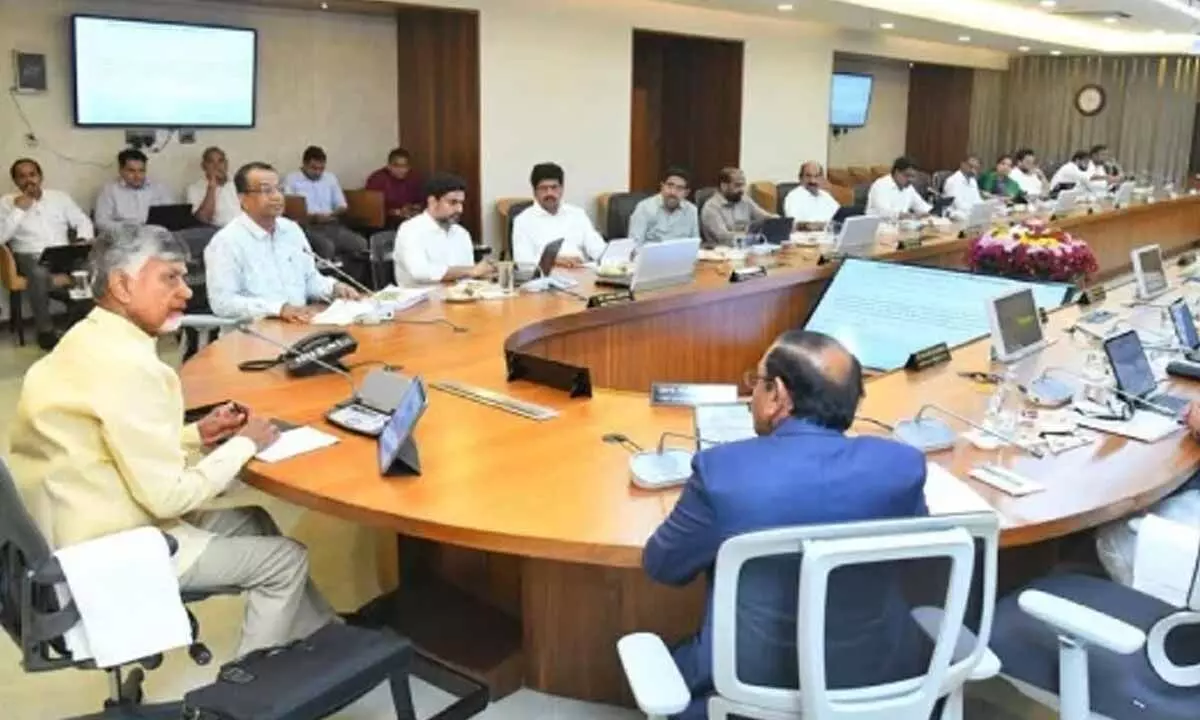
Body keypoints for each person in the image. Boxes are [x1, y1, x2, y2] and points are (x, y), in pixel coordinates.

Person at [7, 225, 336, 659]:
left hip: (69, 519)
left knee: (252, 520)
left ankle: (320, 641)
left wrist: (197, 435)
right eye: (169, 278)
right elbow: (168, 498)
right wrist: (245, 445)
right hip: (109, 546)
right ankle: (252, 686)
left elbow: (114, 442)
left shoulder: (86, 340)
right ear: (123, 286)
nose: (186, 292)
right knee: (285, 561)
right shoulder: (132, 367)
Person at [642, 330, 930, 719]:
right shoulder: (900, 467)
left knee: (673, 661)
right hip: (876, 685)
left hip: (745, 695)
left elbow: (663, 566)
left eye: (757, 382)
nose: (752, 395)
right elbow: (915, 559)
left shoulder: (723, 472)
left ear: (778, 395)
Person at [205, 161, 361, 322]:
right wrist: (278, 309)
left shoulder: (291, 230)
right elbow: (222, 303)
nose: (277, 196)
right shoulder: (226, 242)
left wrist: (334, 288)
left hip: (299, 324)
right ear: (243, 199)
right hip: (253, 330)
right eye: (267, 190)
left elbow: (309, 279)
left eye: (279, 189)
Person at [0, 158, 94, 350]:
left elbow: (82, 220)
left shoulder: (59, 197)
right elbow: (1, 236)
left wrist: (82, 239)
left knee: (88, 267)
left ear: (40, 177)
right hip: (29, 255)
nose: (29, 180)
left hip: (62, 252)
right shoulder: (6, 203)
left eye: (32, 175)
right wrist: (19, 210)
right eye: (22, 176)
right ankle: (46, 331)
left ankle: (81, 321)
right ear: (15, 181)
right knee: (38, 274)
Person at [393, 172, 492, 287]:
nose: (460, 209)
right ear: (432, 201)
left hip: (458, 296)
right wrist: (471, 271)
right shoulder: (410, 230)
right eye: (453, 202)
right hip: (420, 297)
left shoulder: (461, 233)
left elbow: (467, 273)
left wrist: (482, 273)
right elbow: (420, 272)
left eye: (461, 203)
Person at [512, 162, 606, 267]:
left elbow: (599, 251)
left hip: (581, 271)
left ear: (562, 189)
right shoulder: (523, 221)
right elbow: (522, 262)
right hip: (546, 274)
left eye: (554, 187)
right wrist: (553, 260)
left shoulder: (577, 214)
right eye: (543, 188)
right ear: (534, 191)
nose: (549, 193)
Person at [282, 146, 368, 259]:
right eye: (314, 168)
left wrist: (332, 214)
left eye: (321, 168)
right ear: (304, 164)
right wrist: (314, 218)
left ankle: (347, 270)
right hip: (307, 227)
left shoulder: (330, 178)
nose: (318, 172)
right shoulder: (292, 179)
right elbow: (292, 211)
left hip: (331, 224)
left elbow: (342, 205)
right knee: (327, 247)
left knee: (361, 244)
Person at [94, 148, 176, 235]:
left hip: (155, 236)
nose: (137, 176)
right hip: (124, 237)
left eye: (141, 171)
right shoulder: (109, 190)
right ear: (121, 170)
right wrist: (128, 228)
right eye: (131, 171)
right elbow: (101, 222)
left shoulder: (158, 189)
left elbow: (172, 216)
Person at [698, 167, 773, 247]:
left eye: (743, 185)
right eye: (737, 185)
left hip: (748, 246)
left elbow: (765, 217)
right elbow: (723, 237)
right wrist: (751, 237)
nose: (742, 189)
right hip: (723, 250)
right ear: (724, 186)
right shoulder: (711, 207)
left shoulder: (744, 199)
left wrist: (778, 220)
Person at [628, 167, 700, 244]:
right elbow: (634, 244)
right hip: (652, 251)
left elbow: (695, 243)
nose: (673, 192)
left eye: (679, 188)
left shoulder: (692, 210)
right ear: (662, 186)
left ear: (686, 193)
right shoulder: (644, 208)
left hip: (680, 252)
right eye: (669, 186)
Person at [365, 148, 424, 226]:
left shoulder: (414, 177)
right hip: (385, 222)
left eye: (405, 166)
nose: (402, 170)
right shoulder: (377, 179)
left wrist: (414, 207)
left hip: (410, 219)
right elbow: (371, 208)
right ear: (389, 166)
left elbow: (422, 200)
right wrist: (396, 212)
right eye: (397, 166)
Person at [187, 146, 241, 228]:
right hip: (218, 231)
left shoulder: (240, 182)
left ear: (226, 164)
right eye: (211, 162)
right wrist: (212, 187)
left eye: (220, 161)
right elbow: (203, 219)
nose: (217, 166)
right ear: (203, 166)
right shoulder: (194, 189)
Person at [865, 157, 932, 218]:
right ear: (897, 172)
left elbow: (922, 207)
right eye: (907, 175)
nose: (910, 180)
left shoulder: (909, 188)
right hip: (877, 225)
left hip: (900, 225)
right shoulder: (881, 185)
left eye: (913, 177)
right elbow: (884, 212)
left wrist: (930, 213)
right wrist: (911, 216)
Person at [782, 161, 840, 230]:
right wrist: (819, 225)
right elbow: (794, 224)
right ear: (800, 178)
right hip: (807, 235)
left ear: (822, 178)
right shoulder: (793, 197)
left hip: (831, 234)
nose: (813, 181)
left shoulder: (826, 196)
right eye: (808, 176)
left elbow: (839, 217)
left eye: (816, 176)